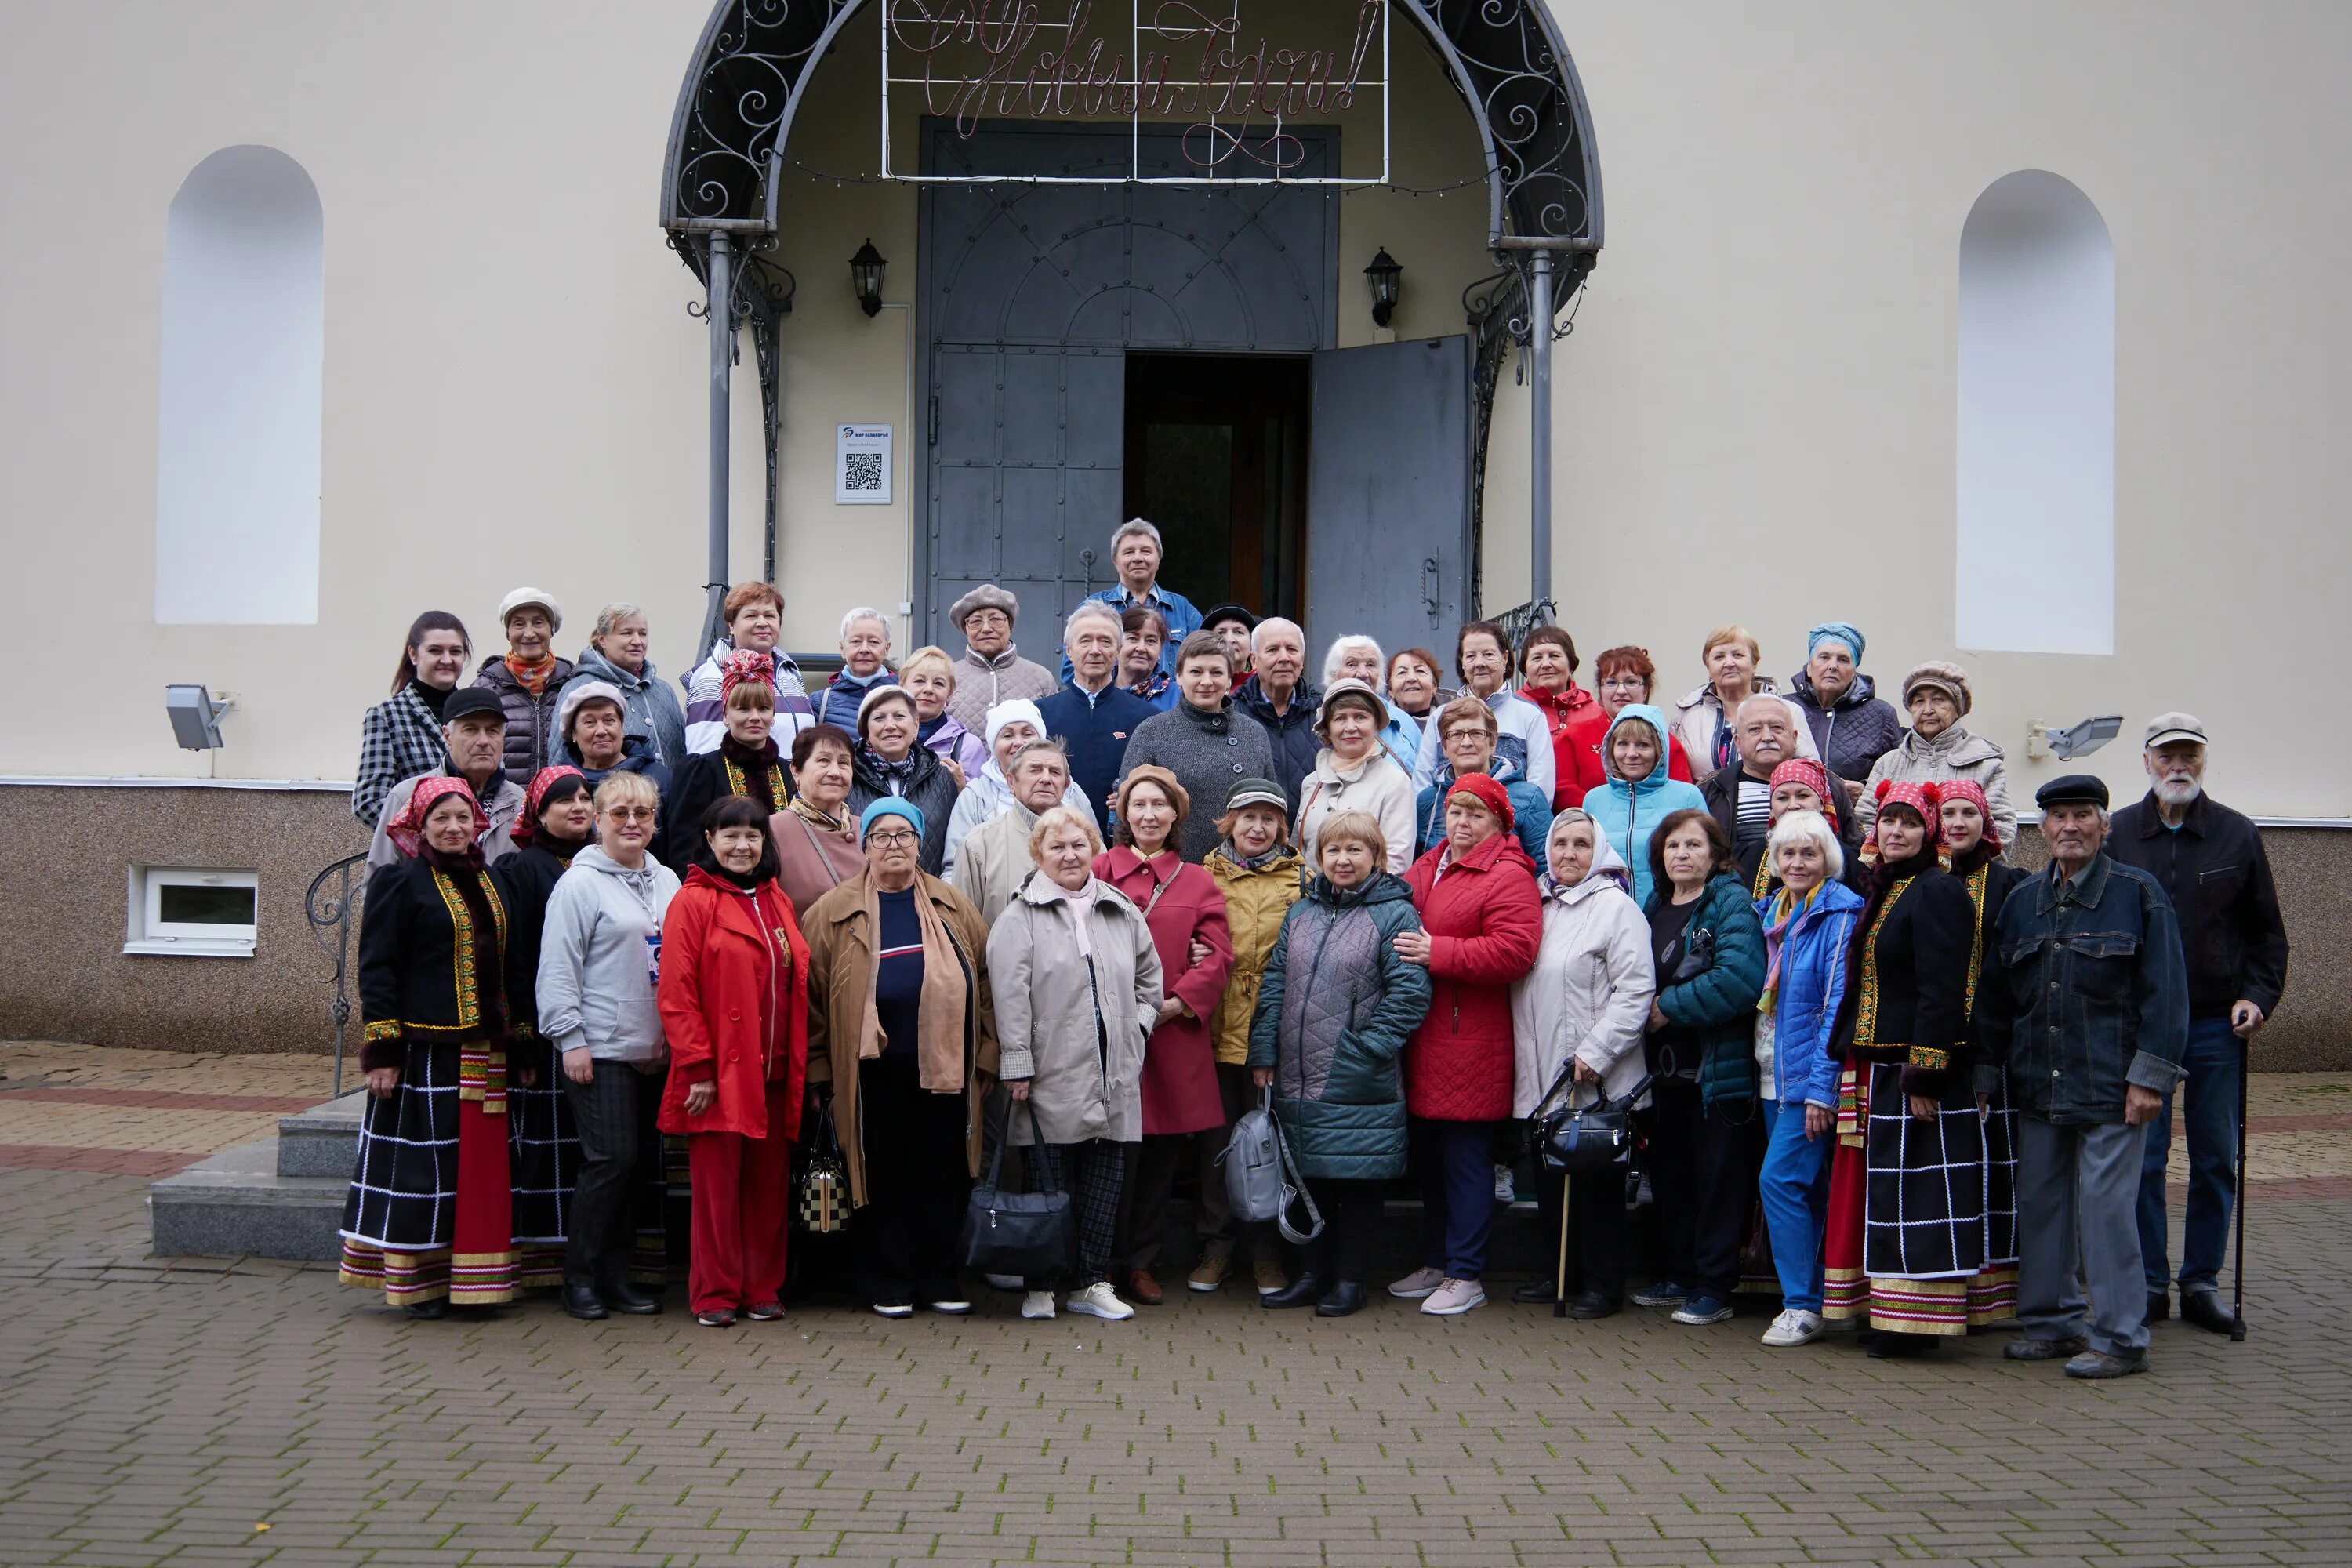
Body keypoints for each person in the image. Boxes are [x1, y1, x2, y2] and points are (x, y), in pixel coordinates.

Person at [1976, 775, 2189, 1378]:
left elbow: (2167, 996)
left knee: (2105, 1209)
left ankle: (2120, 1338)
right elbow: (1998, 998)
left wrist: (2150, 1078)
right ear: (2042, 829)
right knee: (2040, 1206)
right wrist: (1988, 1074)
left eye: (2082, 816)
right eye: (2058, 817)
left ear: (2103, 825)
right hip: (2037, 1080)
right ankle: (2052, 1324)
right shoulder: (2022, 902)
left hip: (2112, 1085)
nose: (2070, 827)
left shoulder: (2137, 893)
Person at [2109, 714, 2288, 1334]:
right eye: (2167, 755)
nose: (2178, 765)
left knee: (2216, 1158)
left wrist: (2258, 997)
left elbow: (2267, 934)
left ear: (2204, 761)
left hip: (2217, 1023)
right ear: (2148, 763)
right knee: (2145, 1159)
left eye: (2189, 754)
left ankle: (2202, 1282)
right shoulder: (2119, 834)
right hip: (2143, 1024)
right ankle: (2150, 1283)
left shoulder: (2237, 833)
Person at [339, 778, 531, 1316]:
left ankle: (479, 1281)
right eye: (441, 819)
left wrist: (522, 1045)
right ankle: (420, 1283)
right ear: (418, 826)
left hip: (487, 1051)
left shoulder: (497, 883)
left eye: (463, 818)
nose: (453, 828)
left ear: (479, 825)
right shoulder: (399, 885)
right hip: (426, 1052)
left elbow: (513, 971)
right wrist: (383, 1048)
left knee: (482, 1170)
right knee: (430, 1173)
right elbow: (376, 969)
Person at [804, 799, 998, 1319]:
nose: (894, 845)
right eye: (882, 836)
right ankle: (886, 1279)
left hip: (945, 1070)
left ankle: (938, 1278)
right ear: (865, 846)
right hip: (868, 1076)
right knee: (880, 1174)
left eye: (904, 835)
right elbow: (812, 1001)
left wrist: (987, 1056)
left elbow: (984, 984)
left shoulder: (954, 906)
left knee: (942, 1174)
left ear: (919, 844)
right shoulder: (831, 912)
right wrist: (818, 1071)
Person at [1820, 782, 1985, 1355]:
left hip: (1911, 1070)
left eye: (1910, 824)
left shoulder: (1937, 890)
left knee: (1918, 1194)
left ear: (1929, 833)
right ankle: (1887, 1311)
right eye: (1888, 822)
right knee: (1886, 1193)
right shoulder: (1889, 888)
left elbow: (1945, 988)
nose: (1895, 832)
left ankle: (1919, 1325)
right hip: (1879, 1065)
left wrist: (1927, 1071)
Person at [1250, 811, 1432, 1316]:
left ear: (1376, 856)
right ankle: (1311, 1275)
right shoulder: (1301, 913)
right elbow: (1275, 986)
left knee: (1356, 1187)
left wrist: (1366, 1050)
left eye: (1355, 850)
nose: (1343, 859)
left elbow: (1409, 995)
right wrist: (1264, 1052)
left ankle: (1350, 1283)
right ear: (1319, 857)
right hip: (1295, 1073)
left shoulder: (1395, 914)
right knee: (1308, 1181)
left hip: (1356, 1075)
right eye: (1333, 850)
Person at [987, 806, 1164, 1322]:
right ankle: (1041, 1285)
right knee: (1049, 1182)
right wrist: (1017, 1064)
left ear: (1094, 850)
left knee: (1105, 1183)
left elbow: (1150, 983)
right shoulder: (1019, 917)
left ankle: (1092, 1282)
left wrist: (1136, 1029)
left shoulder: (1119, 909)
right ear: (1038, 855)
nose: (1069, 855)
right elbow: (1009, 996)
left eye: (1079, 845)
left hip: (1114, 1072)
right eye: (1057, 847)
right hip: (1049, 1073)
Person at [1388, 773, 1543, 1316]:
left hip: (1471, 1038)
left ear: (1499, 822)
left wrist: (1439, 953)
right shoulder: (1430, 864)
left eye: (1476, 814)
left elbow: (1514, 952)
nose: (1462, 822)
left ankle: (1467, 1272)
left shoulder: (1507, 874)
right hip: (1425, 1035)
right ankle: (1437, 1258)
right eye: (1456, 811)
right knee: (1430, 1160)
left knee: (1466, 1162)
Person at [655, 796, 811, 1327]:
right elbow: (676, 994)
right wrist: (697, 1067)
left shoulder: (776, 899)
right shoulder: (692, 902)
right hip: (719, 1075)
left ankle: (761, 1287)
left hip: (773, 1071)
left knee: (767, 1190)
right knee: (717, 1192)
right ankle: (716, 1294)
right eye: (731, 835)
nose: (742, 846)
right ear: (709, 839)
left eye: (752, 836)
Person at [539, 772, 681, 1321]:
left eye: (642, 814)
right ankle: (580, 1278)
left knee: (641, 1164)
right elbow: (557, 968)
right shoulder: (579, 884)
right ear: (597, 820)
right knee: (610, 1161)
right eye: (619, 813)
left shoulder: (666, 879)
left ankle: (619, 1278)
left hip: (657, 1049)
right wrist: (570, 1037)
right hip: (600, 1046)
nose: (631, 824)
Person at [1508, 809, 1654, 1318]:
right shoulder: (1539, 903)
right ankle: (1562, 1275)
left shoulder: (1616, 907)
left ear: (1599, 852)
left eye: (1581, 845)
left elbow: (1636, 990)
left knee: (1596, 1186)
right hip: (1545, 1073)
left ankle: (1602, 1284)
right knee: (1552, 1181)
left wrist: (1596, 1052)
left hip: (1595, 1075)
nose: (1568, 854)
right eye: (1561, 843)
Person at [1098, 768, 1236, 1305]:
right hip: (1111, 1034)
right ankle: (1099, 1261)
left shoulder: (1198, 880)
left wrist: (1176, 1004)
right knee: (1110, 1154)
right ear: (1124, 815)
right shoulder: (1098, 869)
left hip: (1170, 1034)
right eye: (1139, 805)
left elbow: (1218, 953)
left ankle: (1140, 1262)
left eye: (1160, 805)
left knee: (1157, 1159)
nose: (1149, 814)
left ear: (1176, 815)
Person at [1630, 809, 1766, 1328]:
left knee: (1718, 1181)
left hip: (1716, 1073)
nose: (1683, 854)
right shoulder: (1656, 905)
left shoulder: (1729, 901)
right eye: (1673, 847)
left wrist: (1668, 1007)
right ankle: (1680, 1275)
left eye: (1693, 845)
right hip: (1665, 1075)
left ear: (1715, 854)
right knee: (1673, 1178)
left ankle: (1714, 1286)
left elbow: (1740, 980)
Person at [1747, 809, 1865, 1347]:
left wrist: (1823, 1089)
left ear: (1828, 860)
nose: (1797, 863)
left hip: (1806, 1082)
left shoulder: (1839, 915)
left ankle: (1799, 1304)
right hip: (1773, 1070)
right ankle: (1824, 1296)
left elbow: (1836, 1007)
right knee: (1807, 1188)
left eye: (1808, 853)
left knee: (1779, 1181)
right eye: (1788, 853)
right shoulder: (1773, 910)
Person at [490, 767, 597, 1299]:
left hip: (600, 1029)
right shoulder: (520, 869)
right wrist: (525, 1038)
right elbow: (515, 958)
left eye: (585, 797)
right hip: (546, 1031)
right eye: (565, 800)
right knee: (545, 1151)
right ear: (539, 810)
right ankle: (542, 1263)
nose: (579, 806)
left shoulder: (608, 863)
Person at [1198, 778, 1306, 1297]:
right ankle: (1216, 1247)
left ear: (1282, 828)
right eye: (1248, 817)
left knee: (1267, 1148)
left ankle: (1268, 1253)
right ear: (1229, 824)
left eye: (1268, 819)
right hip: (1215, 1031)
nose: (1258, 827)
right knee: (1218, 1147)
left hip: (1274, 1035)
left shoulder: (1303, 879)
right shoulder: (1203, 876)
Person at [1939, 777, 2030, 1330]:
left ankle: (1998, 1296)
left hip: (1994, 1045)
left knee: (1998, 1168)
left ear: (1985, 822)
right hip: (1938, 1048)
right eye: (1946, 812)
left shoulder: (2010, 884)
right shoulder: (1920, 882)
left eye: (1967, 812)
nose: (1957, 822)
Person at [1118, 631, 1276, 862]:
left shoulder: (1254, 733)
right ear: (1179, 677)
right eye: (1196, 672)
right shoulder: (1152, 732)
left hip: (1250, 880)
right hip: (1174, 878)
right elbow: (1127, 816)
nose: (1206, 681)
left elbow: (1273, 809)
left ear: (1230, 679)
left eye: (1217, 672)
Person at [367, 687, 528, 869]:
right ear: (447, 736)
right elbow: (379, 880)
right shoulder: (406, 796)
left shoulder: (518, 800)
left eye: (493, 731)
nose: (484, 741)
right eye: (471, 730)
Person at [1855, 662, 2016, 844]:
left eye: (1939, 700)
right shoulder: (1889, 763)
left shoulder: (1985, 765)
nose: (1928, 710)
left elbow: (2002, 826)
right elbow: (1864, 819)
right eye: (1919, 702)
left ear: (1958, 708)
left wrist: (1969, 869)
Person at [661, 655, 791, 874]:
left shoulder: (786, 771)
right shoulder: (701, 769)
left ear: (773, 714)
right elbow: (684, 853)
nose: (755, 717)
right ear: (725, 715)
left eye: (763, 708)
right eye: (743, 709)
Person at [943, 700, 1098, 877]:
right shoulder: (976, 794)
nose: (1019, 742)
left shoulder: (1069, 789)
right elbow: (955, 867)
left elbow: (1096, 849)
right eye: (1008, 736)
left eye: (1027, 733)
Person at [1037, 604, 1156, 827]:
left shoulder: (1147, 718)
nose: (1095, 650)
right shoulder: (1039, 716)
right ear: (1069, 651)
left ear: (1118, 651)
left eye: (1105, 641)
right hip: (1056, 839)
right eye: (1085, 641)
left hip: (1126, 844)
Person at [1410, 622, 1555, 801]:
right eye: (1470, 656)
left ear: (1505, 658)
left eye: (1488, 654)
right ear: (1462, 663)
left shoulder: (1530, 715)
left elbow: (1539, 791)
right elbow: (1422, 785)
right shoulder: (1440, 717)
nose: (1479, 663)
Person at [354, 610, 472, 828]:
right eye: (435, 651)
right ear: (414, 654)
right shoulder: (387, 716)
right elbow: (368, 802)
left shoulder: (476, 713)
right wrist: (426, 833)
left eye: (455, 651)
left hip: (476, 853)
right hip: (416, 857)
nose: (447, 660)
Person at [1579, 703, 1705, 907]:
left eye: (1643, 745)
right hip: (1610, 916)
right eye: (1622, 744)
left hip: (1671, 917)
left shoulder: (1688, 796)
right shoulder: (1593, 799)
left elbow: (1706, 862)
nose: (1631, 753)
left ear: (1660, 750)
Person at [1701, 696, 1851, 865]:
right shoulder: (1712, 789)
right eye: (1755, 729)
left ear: (1794, 738)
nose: (1767, 737)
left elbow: (1853, 849)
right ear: (1738, 742)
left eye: (1777, 728)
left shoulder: (1827, 783)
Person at [953, 735, 1088, 923]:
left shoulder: (1086, 842)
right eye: (1034, 770)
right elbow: (964, 926)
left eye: (1055, 772)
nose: (1046, 779)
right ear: (1011, 782)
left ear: (1065, 786)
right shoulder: (979, 845)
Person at [1670, 625, 1817, 788]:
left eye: (1738, 655)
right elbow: (1675, 778)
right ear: (1709, 669)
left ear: (1754, 665)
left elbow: (1812, 772)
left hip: (1771, 807)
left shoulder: (1788, 711)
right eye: (1719, 657)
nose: (1729, 663)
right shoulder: (1686, 716)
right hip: (1704, 809)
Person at [548, 602, 689, 770]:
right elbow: (559, 761)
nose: (637, 641)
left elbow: (682, 752)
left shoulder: (664, 690)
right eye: (627, 633)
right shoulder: (578, 688)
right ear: (602, 639)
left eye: (642, 634)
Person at [1411, 696, 1551, 865]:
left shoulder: (1528, 797)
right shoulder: (1429, 800)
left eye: (1476, 733)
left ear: (1493, 743)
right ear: (1444, 748)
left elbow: (1545, 867)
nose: (1466, 743)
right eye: (1456, 735)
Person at [1062, 517, 1203, 683]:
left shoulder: (1183, 610)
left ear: (1158, 560)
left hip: (1169, 707)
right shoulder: (1093, 608)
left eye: (1146, 551)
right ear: (1115, 561)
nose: (1137, 558)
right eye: (1129, 552)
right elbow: (1070, 671)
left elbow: (1204, 664)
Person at [1298, 679, 1416, 874]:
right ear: (1327, 728)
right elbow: (1300, 854)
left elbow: (1395, 864)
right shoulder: (1312, 782)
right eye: (1340, 718)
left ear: (1376, 725)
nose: (1350, 727)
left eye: (1360, 717)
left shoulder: (1395, 783)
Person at [683, 582, 815, 753]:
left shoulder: (789, 672)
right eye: (751, 616)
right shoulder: (713, 675)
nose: (762, 623)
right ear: (731, 625)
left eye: (770, 616)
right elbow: (704, 754)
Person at [845, 685, 960, 875]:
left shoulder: (940, 776)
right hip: (863, 898)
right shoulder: (848, 776)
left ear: (915, 725)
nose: (890, 725)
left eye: (899, 716)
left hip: (929, 896)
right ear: (865, 730)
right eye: (879, 718)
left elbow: (954, 847)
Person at [470, 587, 575, 787]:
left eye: (538, 623)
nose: (529, 633)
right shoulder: (485, 688)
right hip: (503, 810)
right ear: (508, 633)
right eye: (519, 624)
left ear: (551, 629)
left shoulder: (574, 684)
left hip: (562, 808)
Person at [1785, 622, 1900, 801]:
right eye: (1824, 657)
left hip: (1854, 822)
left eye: (1843, 660)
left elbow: (1898, 777)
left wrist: (1866, 790)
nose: (1833, 666)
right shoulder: (1784, 707)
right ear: (1809, 667)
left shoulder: (1882, 714)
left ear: (1854, 672)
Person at [770, 724, 865, 918]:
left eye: (844, 763)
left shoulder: (868, 828)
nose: (835, 772)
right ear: (796, 770)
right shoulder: (772, 831)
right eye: (823, 761)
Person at [1737, 757, 1863, 900]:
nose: (1793, 805)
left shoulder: (1852, 863)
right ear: (1772, 808)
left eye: (1803, 796)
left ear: (1822, 803)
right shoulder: (1746, 858)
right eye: (1783, 798)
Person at [945, 583, 1057, 735]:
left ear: (1010, 625)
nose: (986, 628)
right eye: (976, 621)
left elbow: (1053, 738)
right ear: (966, 630)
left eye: (996, 619)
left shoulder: (1041, 678)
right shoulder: (947, 677)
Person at [1233, 617, 1322, 808]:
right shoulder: (1231, 715)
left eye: (1292, 649)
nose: (1284, 658)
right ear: (1253, 660)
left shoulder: (1326, 714)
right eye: (1273, 650)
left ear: (1302, 659)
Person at [1517, 626, 1606, 806]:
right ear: (1525, 670)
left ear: (1571, 665)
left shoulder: (1597, 711)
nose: (1546, 664)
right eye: (1536, 658)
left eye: (1554, 656)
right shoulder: (1516, 710)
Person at [1578, 645, 1693, 784]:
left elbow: (1681, 796)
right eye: (1611, 682)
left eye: (1631, 682)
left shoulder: (1667, 744)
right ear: (1600, 691)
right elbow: (1564, 790)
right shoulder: (1573, 737)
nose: (1621, 691)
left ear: (1646, 690)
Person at [555, 681, 673, 803]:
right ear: (573, 733)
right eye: (589, 722)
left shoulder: (658, 778)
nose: (601, 731)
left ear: (621, 727)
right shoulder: (561, 785)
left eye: (609, 720)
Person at [1323, 633, 1420, 772]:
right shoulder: (1323, 722)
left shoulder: (1402, 720)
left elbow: (1424, 775)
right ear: (1335, 674)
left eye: (1371, 665)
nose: (1363, 673)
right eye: (1352, 664)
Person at [898, 644, 986, 786]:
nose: (928, 689)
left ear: (950, 694)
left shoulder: (968, 746)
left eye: (938, 683)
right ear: (902, 685)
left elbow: (981, 805)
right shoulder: (881, 737)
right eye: (919, 681)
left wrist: (961, 786)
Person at [812, 607, 898, 730]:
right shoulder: (820, 704)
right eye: (856, 641)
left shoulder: (905, 696)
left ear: (886, 649)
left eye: (873, 642)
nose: (864, 649)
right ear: (842, 648)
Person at [1119, 605, 1175, 711]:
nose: (1141, 648)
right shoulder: (1098, 690)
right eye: (1133, 638)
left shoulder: (1178, 697)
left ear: (1161, 648)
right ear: (1117, 643)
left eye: (1150, 641)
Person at [1385, 647, 1450, 730]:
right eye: (1401, 672)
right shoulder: (1377, 728)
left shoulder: (1453, 725)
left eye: (1420, 671)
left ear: (1434, 686)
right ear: (1391, 690)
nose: (1411, 678)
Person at [1199, 603, 1258, 681]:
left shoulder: (1263, 684)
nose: (1230, 640)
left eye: (1239, 632)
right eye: (1221, 633)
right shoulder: (1199, 684)